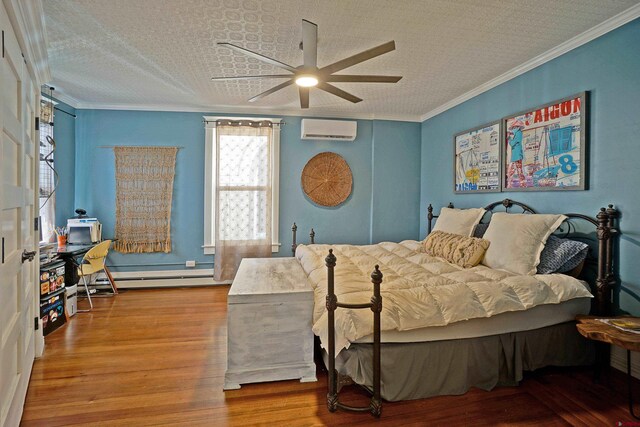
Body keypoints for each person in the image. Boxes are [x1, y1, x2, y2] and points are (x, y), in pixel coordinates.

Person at [508, 120, 526, 187]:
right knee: (512, 171)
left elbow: (512, 143)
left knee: (519, 171)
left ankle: (522, 184)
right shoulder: (516, 134)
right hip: (515, 156)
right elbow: (512, 143)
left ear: (518, 127)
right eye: (513, 128)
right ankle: (510, 184)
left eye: (514, 128)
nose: (513, 129)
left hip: (517, 155)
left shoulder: (518, 133)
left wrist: (509, 138)